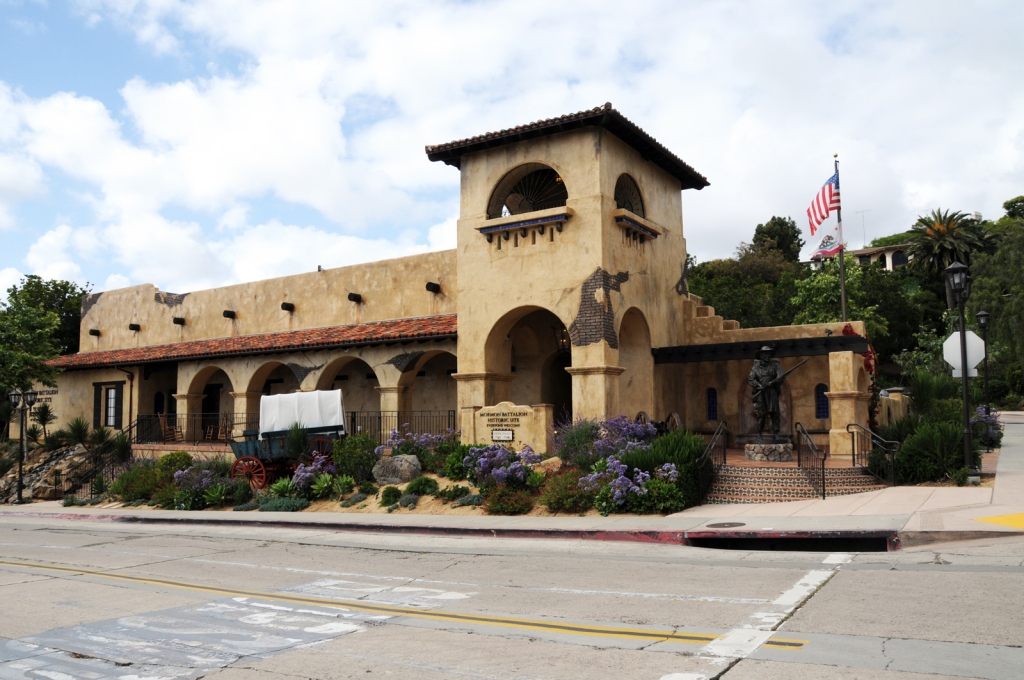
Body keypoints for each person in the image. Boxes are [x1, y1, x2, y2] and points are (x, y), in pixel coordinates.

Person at [748, 346, 784, 439]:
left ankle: (776, 433)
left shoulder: (775, 366)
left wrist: (773, 382)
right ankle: (759, 433)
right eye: (765, 354)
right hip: (762, 393)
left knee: (775, 413)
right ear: (761, 356)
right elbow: (751, 378)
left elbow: (781, 377)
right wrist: (759, 386)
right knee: (761, 414)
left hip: (772, 392)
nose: (768, 355)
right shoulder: (755, 368)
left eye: (769, 354)